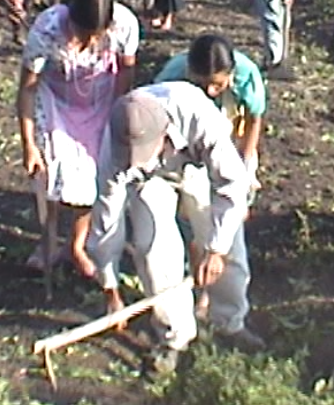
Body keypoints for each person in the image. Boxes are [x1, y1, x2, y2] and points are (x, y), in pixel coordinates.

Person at [88, 82, 264, 373]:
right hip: (150, 183)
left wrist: (215, 249)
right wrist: (111, 289)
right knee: (151, 250)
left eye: (143, 153)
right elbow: (107, 222)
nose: (139, 161)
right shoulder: (115, 150)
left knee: (228, 242)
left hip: (200, 168)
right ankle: (175, 335)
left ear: (164, 133)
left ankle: (229, 323)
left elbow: (233, 185)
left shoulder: (198, 115)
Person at [16, 0, 139, 278]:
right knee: (52, 170)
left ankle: (76, 245)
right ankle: (47, 241)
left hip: (101, 99)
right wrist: (28, 144)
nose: (86, 41)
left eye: (95, 36)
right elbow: (27, 88)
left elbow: (126, 71)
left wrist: (117, 112)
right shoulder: (46, 30)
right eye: (81, 33)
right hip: (56, 99)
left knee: (91, 174)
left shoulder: (125, 25)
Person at [155, 34, 266, 197]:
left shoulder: (247, 74)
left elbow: (253, 119)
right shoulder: (172, 75)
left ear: (231, 73)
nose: (210, 91)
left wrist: (245, 166)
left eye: (218, 84)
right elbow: (157, 117)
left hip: (231, 130)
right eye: (201, 84)